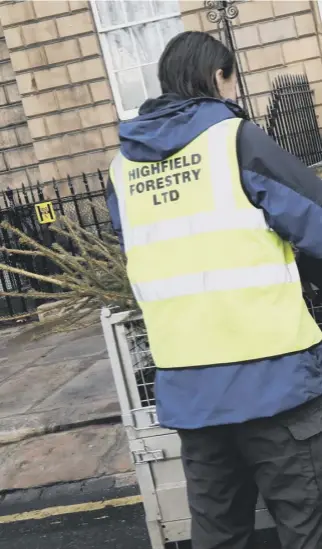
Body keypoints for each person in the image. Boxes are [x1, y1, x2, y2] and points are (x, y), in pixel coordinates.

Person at [107, 31, 322, 549]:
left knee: (219, 535)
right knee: (305, 527)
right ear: (217, 77)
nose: (235, 95)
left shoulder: (122, 170)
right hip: (275, 383)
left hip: (191, 391)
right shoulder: (237, 140)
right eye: (232, 81)